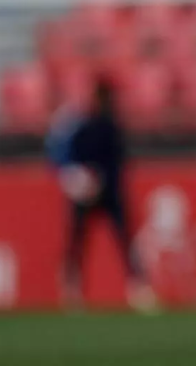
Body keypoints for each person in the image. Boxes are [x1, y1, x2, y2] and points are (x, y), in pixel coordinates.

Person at [47, 77, 157, 313]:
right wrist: (79, 179)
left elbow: (117, 162)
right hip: (87, 193)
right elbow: (64, 159)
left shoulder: (110, 127)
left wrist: (99, 179)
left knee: (123, 240)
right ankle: (72, 289)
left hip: (109, 191)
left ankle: (138, 287)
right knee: (78, 241)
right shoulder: (83, 126)